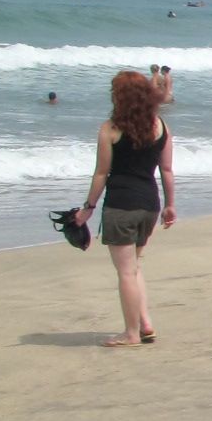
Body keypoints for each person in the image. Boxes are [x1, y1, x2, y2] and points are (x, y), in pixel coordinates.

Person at [69, 70, 175, 347]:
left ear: (119, 98)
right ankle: (145, 323)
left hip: (121, 206)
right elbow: (166, 170)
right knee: (135, 266)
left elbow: (101, 174)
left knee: (126, 271)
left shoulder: (110, 129)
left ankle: (131, 334)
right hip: (149, 205)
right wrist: (170, 205)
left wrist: (88, 207)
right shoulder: (160, 126)